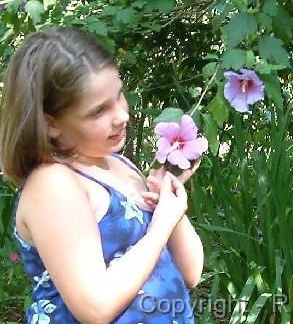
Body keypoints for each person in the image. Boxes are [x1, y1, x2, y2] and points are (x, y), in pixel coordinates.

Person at [0, 27, 203, 323]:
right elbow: (95, 308)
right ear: (51, 124)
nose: (121, 115)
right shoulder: (53, 184)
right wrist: (160, 227)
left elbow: (191, 273)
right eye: (98, 111)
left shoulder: (119, 164)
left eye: (120, 96)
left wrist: (171, 210)